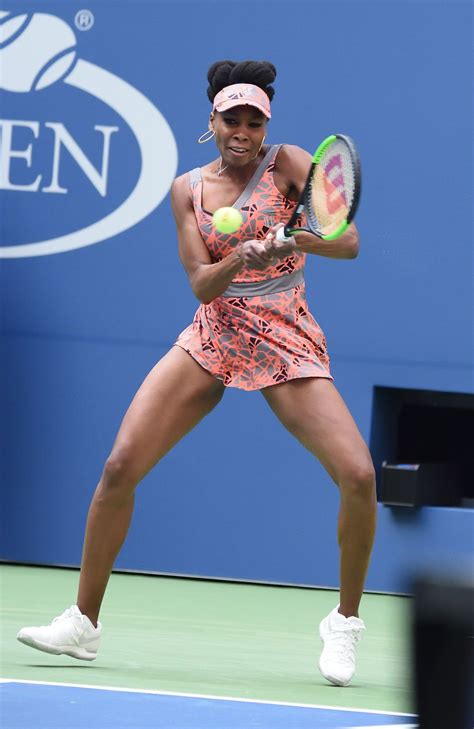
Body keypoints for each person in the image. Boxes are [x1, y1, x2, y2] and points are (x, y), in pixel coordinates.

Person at [17, 60, 377, 687]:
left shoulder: (289, 163)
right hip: (214, 334)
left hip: (284, 333)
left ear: (267, 126)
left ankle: (343, 622)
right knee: (119, 467)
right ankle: (83, 622)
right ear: (211, 121)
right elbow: (200, 283)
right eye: (231, 118)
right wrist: (242, 251)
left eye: (253, 121)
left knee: (358, 475)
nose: (242, 130)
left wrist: (292, 241)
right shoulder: (186, 189)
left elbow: (347, 243)